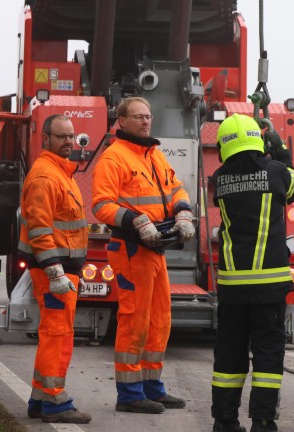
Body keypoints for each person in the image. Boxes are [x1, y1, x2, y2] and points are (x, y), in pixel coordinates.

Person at [92, 96, 195, 414]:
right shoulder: (114, 158)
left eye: (148, 116)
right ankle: (130, 394)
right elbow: (100, 205)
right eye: (137, 117)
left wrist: (183, 212)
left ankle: (152, 387)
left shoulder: (154, 155)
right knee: (135, 321)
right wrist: (136, 220)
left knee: (160, 320)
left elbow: (176, 188)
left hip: (155, 249)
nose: (145, 121)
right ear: (121, 121)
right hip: (131, 248)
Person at [210, 114, 294, 432]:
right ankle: (262, 421)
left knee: (229, 353)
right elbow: (292, 191)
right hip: (269, 284)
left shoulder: (218, 179)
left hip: (233, 285)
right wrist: (281, 153)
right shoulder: (276, 172)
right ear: (258, 141)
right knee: (267, 353)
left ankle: (224, 420)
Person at [19, 114, 91, 424]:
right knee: (57, 334)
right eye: (61, 136)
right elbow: (39, 229)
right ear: (45, 138)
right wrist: (54, 271)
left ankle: (39, 398)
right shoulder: (47, 176)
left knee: (57, 332)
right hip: (54, 272)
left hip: (62, 270)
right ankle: (54, 402)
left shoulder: (62, 173)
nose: (67, 142)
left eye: (71, 136)